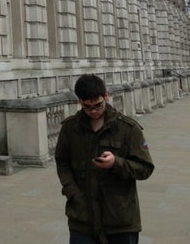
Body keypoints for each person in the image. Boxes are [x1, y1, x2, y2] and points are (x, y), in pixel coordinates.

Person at [55, 74, 154, 244]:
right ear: (80, 101)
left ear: (106, 96)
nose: (93, 111)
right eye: (87, 107)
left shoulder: (128, 129)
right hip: (82, 217)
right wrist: (72, 193)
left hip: (120, 218)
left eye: (98, 105)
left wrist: (117, 162)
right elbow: (62, 163)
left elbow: (145, 168)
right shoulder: (70, 129)